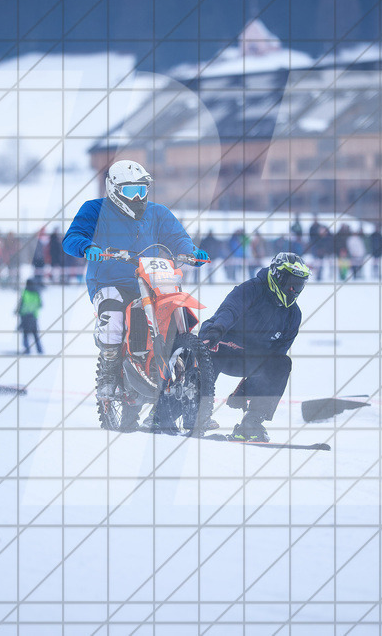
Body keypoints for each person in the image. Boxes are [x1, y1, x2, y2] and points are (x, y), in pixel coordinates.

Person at [62, 160, 207, 402]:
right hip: (109, 280)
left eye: (142, 189)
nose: (138, 197)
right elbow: (72, 237)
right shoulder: (95, 210)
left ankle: (184, 368)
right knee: (114, 320)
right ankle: (109, 373)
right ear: (115, 190)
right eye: (131, 191)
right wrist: (87, 246)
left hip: (153, 279)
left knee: (172, 313)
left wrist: (190, 251)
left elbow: (177, 237)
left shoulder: (157, 212)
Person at [198, 252, 310, 443]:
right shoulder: (252, 289)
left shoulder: (293, 315)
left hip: (248, 357)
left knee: (282, 363)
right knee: (212, 348)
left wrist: (247, 388)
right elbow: (229, 311)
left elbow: (276, 355)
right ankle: (190, 413)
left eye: (300, 285)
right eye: (292, 283)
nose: (294, 290)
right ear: (278, 275)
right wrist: (216, 330)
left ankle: (252, 422)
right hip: (221, 342)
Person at [16, 277, 43, 354]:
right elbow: (41, 304)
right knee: (35, 333)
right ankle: (40, 349)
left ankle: (27, 349)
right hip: (34, 315)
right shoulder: (37, 292)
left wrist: (17, 311)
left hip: (25, 315)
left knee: (25, 334)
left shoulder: (25, 292)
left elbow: (21, 303)